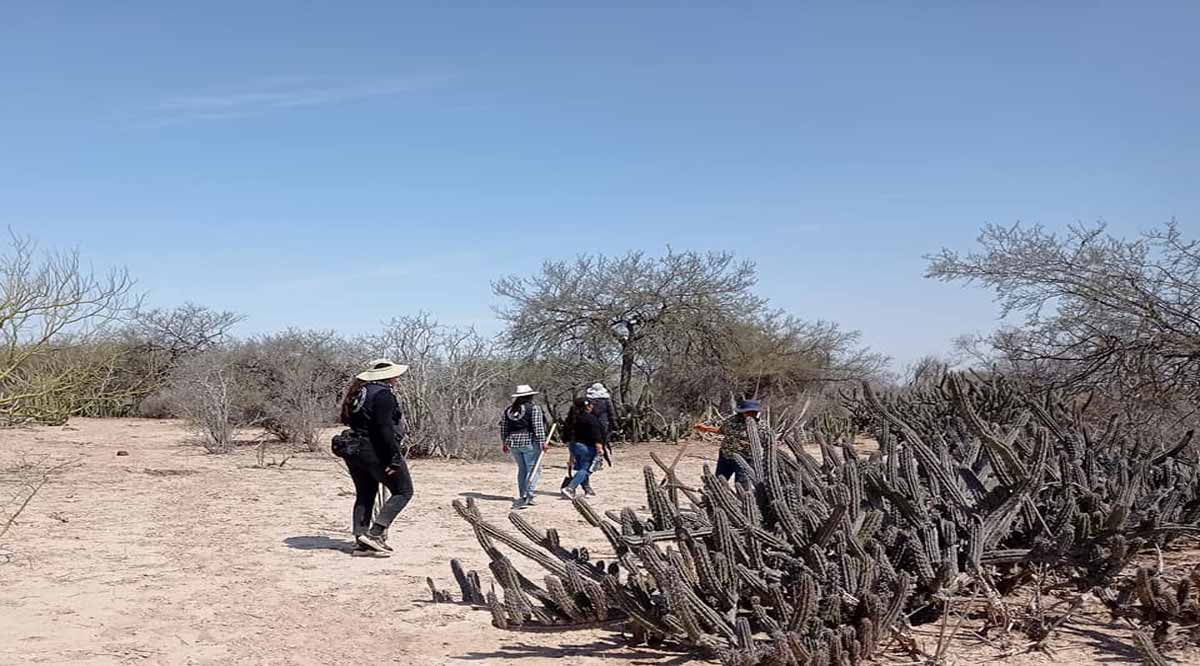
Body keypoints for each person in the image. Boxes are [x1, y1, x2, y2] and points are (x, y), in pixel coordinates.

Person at [337, 359, 415, 556]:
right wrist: (394, 457)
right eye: (395, 374)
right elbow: (384, 428)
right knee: (403, 491)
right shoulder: (383, 395)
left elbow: (349, 420)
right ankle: (374, 535)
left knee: (365, 493)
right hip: (375, 450)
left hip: (354, 449)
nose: (397, 378)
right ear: (388, 376)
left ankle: (361, 541)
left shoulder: (359, 393)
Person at [695, 398, 769, 485]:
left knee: (742, 484)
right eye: (748, 411)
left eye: (754, 412)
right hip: (726, 456)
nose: (751, 414)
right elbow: (722, 430)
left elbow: (767, 442)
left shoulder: (760, 426)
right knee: (719, 482)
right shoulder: (732, 420)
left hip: (745, 459)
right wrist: (706, 429)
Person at [500, 384, 549, 509]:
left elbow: (504, 428)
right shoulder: (534, 408)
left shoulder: (509, 410)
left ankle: (523, 494)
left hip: (513, 442)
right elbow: (538, 427)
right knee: (533, 469)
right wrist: (542, 441)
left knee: (522, 469)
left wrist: (504, 442)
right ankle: (529, 494)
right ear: (530, 396)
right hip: (528, 442)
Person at [561, 397, 605, 499]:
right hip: (587, 447)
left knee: (581, 469)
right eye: (590, 405)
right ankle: (570, 488)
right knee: (586, 469)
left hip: (574, 445)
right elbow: (596, 434)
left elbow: (567, 435)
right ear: (587, 406)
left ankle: (587, 490)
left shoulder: (572, 419)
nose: (592, 406)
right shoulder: (590, 418)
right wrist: (599, 447)